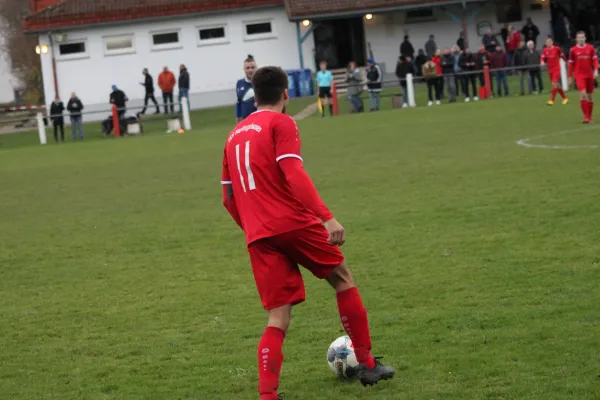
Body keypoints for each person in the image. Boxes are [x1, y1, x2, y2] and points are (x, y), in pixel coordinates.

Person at [220, 65, 395, 400]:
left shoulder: (233, 135)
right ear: (286, 94)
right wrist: (326, 218)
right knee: (342, 277)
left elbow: (228, 198)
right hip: (292, 222)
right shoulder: (281, 122)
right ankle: (368, 365)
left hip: (258, 233)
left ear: (254, 95)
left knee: (278, 314)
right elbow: (293, 171)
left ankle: (268, 395)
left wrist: (253, 227)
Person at [568, 31, 598, 123]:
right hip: (579, 75)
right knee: (583, 93)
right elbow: (571, 64)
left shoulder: (591, 48)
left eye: (582, 37)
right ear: (576, 39)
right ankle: (586, 117)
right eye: (579, 38)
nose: (581, 39)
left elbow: (595, 60)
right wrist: (570, 77)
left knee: (589, 96)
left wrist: (596, 70)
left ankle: (590, 116)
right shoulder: (573, 50)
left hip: (589, 74)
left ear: (585, 38)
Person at [541, 37, 568, 105]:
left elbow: (562, 55)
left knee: (554, 83)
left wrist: (566, 62)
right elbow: (543, 57)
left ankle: (552, 100)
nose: (548, 43)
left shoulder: (557, 48)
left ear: (552, 42)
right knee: (557, 85)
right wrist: (542, 62)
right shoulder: (545, 50)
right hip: (550, 69)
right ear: (546, 43)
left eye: (550, 41)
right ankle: (565, 98)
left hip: (556, 68)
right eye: (547, 42)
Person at [236, 55, 258, 122]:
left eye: (252, 67)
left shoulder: (262, 82)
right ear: (244, 69)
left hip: (260, 121)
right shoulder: (239, 83)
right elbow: (238, 102)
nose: (250, 70)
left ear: (256, 68)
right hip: (246, 122)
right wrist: (238, 117)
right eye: (247, 68)